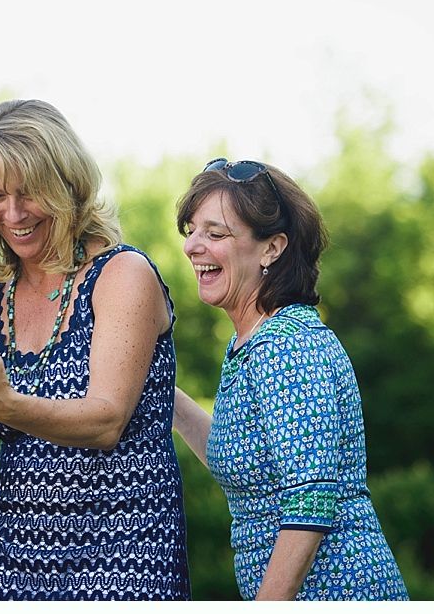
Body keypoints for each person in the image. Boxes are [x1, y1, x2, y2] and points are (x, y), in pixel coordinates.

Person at [0, 99, 191, 600]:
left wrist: (2, 403)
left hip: (126, 557)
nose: (12, 214)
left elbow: (105, 422)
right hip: (7, 563)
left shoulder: (121, 275)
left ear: (67, 185)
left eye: (28, 193)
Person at [171, 158, 409, 600]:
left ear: (272, 248)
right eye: (192, 231)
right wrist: (161, 390)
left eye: (215, 233)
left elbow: (311, 501)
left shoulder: (287, 347)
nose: (192, 247)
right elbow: (241, 460)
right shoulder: (253, 343)